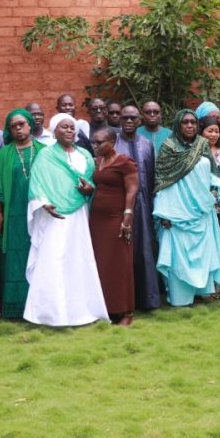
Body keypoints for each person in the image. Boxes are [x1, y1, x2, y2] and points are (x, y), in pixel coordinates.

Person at [24, 113, 109, 326]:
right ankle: (49, 314)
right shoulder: (45, 156)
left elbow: (92, 183)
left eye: (72, 127)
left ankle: (82, 311)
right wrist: (43, 203)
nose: (70, 130)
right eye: (64, 127)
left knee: (79, 258)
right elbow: (37, 183)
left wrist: (90, 189)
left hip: (79, 215)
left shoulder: (85, 156)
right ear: (54, 131)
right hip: (54, 216)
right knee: (53, 259)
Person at [153, 109, 220, 306]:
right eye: (185, 122)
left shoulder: (202, 145)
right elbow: (161, 183)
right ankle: (179, 298)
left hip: (202, 212)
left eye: (193, 122)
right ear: (178, 124)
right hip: (175, 216)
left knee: (202, 256)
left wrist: (214, 192)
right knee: (178, 257)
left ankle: (202, 292)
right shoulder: (168, 147)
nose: (189, 126)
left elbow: (213, 175)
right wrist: (163, 213)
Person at [0, 109, 45, 319]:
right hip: (12, 215)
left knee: (38, 255)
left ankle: (37, 306)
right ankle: (14, 308)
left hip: (38, 215)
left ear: (30, 125)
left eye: (22, 124)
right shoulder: (5, 153)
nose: (19, 128)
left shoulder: (44, 150)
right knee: (13, 258)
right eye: (14, 126)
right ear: (9, 130)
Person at [90, 127, 138, 325]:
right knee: (102, 264)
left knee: (120, 264)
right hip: (97, 220)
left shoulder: (124, 162)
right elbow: (98, 186)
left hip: (116, 218)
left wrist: (127, 217)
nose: (95, 146)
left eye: (99, 143)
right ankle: (107, 309)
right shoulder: (97, 161)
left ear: (112, 142)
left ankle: (126, 312)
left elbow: (132, 190)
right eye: (94, 142)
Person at [114, 105, 160, 310]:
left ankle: (147, 300)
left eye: (133, 118)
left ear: (139, 120)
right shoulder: (113, 144)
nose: (129, 121)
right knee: (123, 252)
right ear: (119, 120)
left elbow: (151, 178)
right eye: (125, 118)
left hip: (144, 205)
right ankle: (123, 301)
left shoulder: (146, 144)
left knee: (144, 252)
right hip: (120, 206)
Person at [199, 116, 220, 238]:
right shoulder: (196, 151)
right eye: (209, 131)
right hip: (201, 200)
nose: (214, 135)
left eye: (217, 131)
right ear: (201, 132)